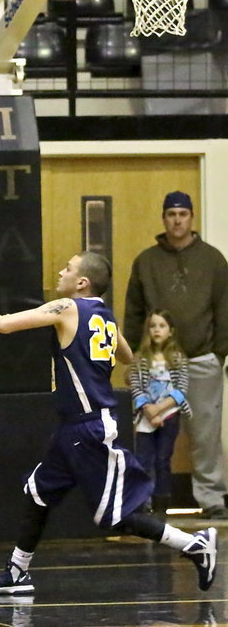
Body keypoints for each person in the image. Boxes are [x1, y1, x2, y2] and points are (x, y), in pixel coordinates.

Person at [0, 252, 218, 596]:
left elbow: (4, 325)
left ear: (82, 282)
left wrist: (5, 309)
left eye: (67, 268)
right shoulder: (105, 317)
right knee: (39, 492)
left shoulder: (69, 308)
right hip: (71, 429)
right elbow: (127, 357)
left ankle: (194, 544)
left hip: (90, 429)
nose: (60, 271)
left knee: (116, 516)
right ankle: (16, 572)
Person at [124, 190, 228, 520]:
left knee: (205, 434)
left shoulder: (213, 260)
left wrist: (220, 353)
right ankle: (147, 498)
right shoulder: (146, 261)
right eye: (171, 214)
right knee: (150, 435)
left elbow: (224, 309)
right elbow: (133, 312)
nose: (177, 220)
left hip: (200, 359)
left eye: (183, 213)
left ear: (192, 218)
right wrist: (132, 358)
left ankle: (211, 498)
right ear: (164, 218)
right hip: (156, 365)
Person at [130, 309, 191, 519]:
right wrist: (149, 410)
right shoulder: (140, 358)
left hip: (169, 414)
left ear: (171, 331)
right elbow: (136, 387)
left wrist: (160, 409)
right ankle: (141, 501)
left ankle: (161, 502)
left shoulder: (178, 358)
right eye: (153, 326)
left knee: (163, 459)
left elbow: (181, 389)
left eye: (162, 326)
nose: (157, 330)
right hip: (146, 417)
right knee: (143, 460)